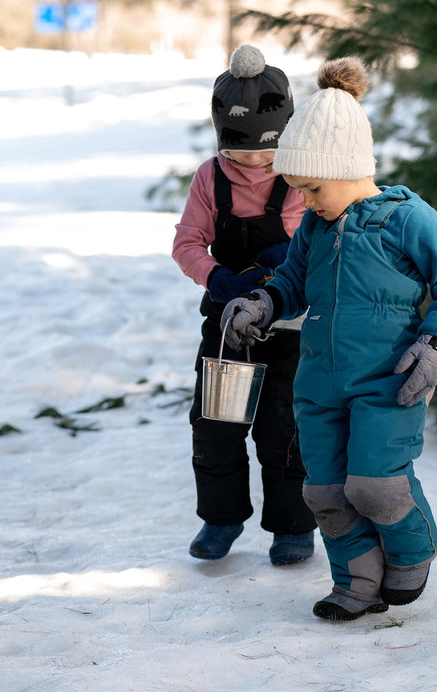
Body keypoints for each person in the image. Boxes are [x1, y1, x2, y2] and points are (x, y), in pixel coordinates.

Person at [220, 56, 437, 621]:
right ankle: (356, 583)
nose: (305, 203)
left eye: (311, 189)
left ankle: (413, 551)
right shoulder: (316, 225)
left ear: (344, 167)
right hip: (320, 383)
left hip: (390, 378)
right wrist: (264, 303)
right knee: (327, 495)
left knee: (377, 488)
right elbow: (291, 279)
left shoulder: (406, 219)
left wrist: (436, 343)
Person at [172, 44, 316, 566]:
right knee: (217, 423)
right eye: (241, 153)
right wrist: (219, 279)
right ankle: (221, 519)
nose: (255, 163)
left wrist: (274, 272)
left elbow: (312, 248)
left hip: (291, 326)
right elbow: (186, 244)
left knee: (285, 428)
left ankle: (293, 528)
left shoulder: (301, 175)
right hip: (230, 324)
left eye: (266, 152)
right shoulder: (210, 177)